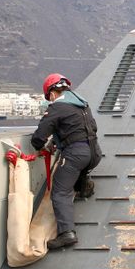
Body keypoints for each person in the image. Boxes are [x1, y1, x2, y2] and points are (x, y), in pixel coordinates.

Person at [31, 73, 101, 249]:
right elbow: (87, 128)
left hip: (76, 155)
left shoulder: (57, 107)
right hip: (94, 154)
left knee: (60, 191)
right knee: (78, 169)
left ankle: (67, 234)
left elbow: (39, 136)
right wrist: (58, 141)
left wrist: (41, 146)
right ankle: (83, 187)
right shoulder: (82, 104)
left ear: (52, 93)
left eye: (49, 97)